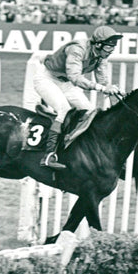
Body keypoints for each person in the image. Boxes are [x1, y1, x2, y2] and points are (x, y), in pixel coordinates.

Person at [33, 25, 124, 170]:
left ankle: (75, 150)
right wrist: (101, 88)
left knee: (89, 112)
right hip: (46, 79)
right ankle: (49, 155)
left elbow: (103, 81)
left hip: (66, 83)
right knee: (64, 110)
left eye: (113, 47)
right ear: (98, 44)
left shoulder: (101, 55)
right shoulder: (77, 48)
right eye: (108, 47)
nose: (111, 50)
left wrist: (113, 93)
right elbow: (75, 77)